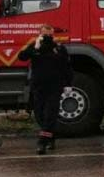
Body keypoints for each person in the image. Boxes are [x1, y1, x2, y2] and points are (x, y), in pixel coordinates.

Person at [18, 24, 72, 155]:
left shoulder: (58, 48)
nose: (47, 38)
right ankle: (50, 136)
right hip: (38, 86)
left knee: (50, 114)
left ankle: (42, 142)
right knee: (39, 114)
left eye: (50, 35)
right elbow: (22, 57)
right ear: (40, 34)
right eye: (44, 35)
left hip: (55, 85)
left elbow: (66, 66)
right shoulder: (35, 46)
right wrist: (34, 47)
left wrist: (68, 83)